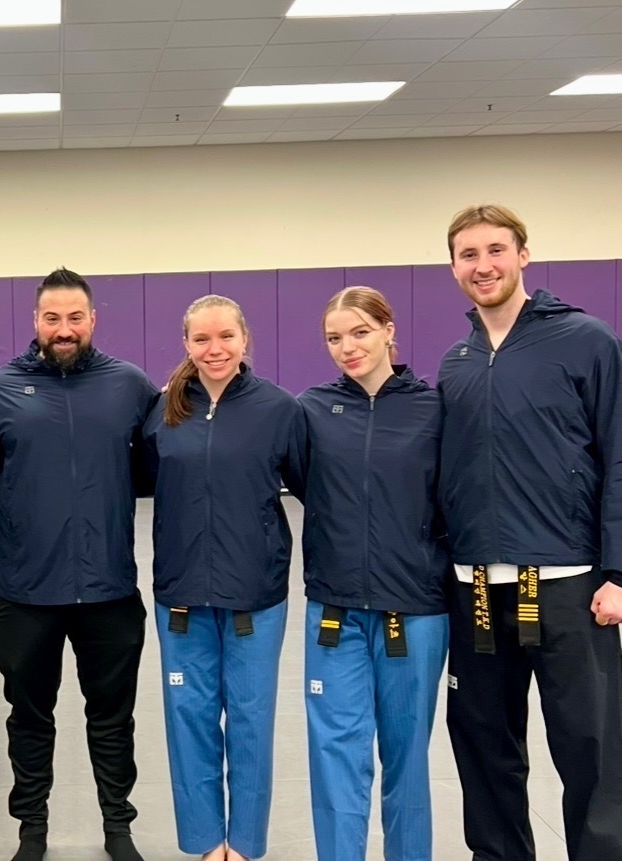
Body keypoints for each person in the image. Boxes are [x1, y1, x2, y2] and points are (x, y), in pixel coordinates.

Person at [438, 204, 622, 860]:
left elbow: (618, 455)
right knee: (485, 745)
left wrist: (617, 572)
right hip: (478, 587)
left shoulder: (586, 341)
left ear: (522, 255)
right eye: (466, 254)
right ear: (452, 266)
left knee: (590, 747)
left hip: (568, 585)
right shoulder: (455, 361)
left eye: (494, 250)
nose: (481, 265)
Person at [0, 268, 159, 861]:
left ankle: (117, 827)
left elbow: (151, 471)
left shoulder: (129, 385)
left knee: (112, 718)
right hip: (27, 592)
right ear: (36, 322)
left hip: (108, 589)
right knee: (28, 718)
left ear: (93, 320)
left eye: (76, 317)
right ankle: (32, 830)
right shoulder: (0, 387)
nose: (64, 329)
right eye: (53, 318)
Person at [141, 294, 302, 861]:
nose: (215, 349)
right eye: (202, 339)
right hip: (181, 596)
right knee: (190, 722)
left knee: (252, 724)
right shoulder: (161, 413)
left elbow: (315, 490)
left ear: (245, 338)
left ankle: (246, 843)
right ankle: (207, 843)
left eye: (225, 337)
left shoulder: (280, 410)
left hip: (255, 597)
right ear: (186, 344)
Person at [294, 287, 449, 861]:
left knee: (408, 754)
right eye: (334, 338)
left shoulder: (433, 408)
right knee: (336, 752)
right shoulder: (309, 409)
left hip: (416, 609)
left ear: (389, 330)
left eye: (359, 332)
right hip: (334, 610)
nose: (347, 347)